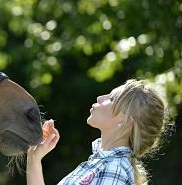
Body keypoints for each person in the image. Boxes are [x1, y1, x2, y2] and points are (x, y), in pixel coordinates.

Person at [27, 79, 171, 185]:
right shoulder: (101, 164)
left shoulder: (113, 169)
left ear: (126, 120)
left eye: (112, 98)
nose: (100, 98)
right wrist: (34, 159)